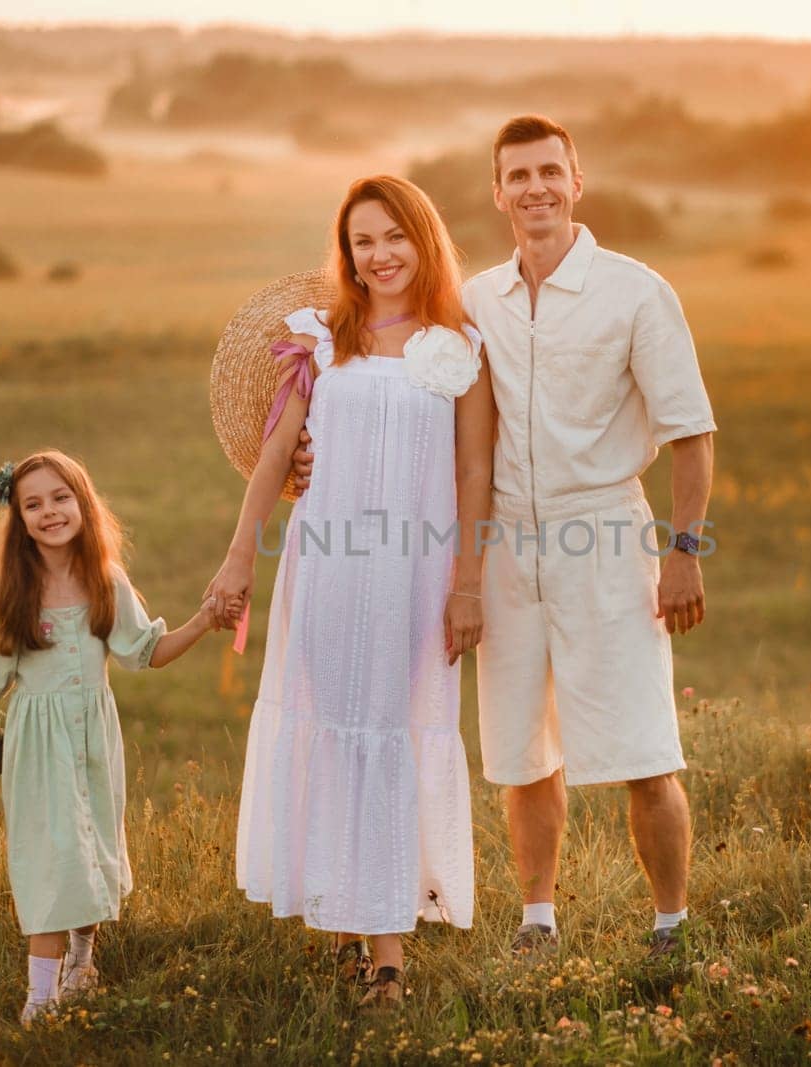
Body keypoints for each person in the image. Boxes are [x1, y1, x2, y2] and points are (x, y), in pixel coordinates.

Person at [293, 116, 716, 960]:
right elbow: (387, 383)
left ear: (576, 180)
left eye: (549, 172)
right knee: (521, 750)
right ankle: (537, 919)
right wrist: (311, 449)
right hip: (500, 544)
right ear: (497, 192)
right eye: (518, 176)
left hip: (605, 531)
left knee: (643, 746)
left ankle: (669, 924)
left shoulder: (636, 291)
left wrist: (684, 551)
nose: (536, 189)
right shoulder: (472, 302)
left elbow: (692, 431)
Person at [207, 175, 495, 1008]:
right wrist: (238, 559)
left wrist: (467, 583)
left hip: (416, 575)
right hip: (328, 570)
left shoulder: (457, 344)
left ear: (424, 240)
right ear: (348, 254)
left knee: (392, 735)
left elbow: (474, 470)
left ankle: (390, 959)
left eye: (396, 235)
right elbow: (277, 458)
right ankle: (347, 916)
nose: (381, 254)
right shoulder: (321, 340)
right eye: (364, 240)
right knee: (335, 729)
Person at [0, 449, 219, 1026]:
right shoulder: (9, 589)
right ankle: (41, 999)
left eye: (60, 497)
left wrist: (201, 621)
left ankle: (83, 958)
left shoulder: (105, 579)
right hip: (38, 740)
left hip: (95, 735)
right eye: (33, 504)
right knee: (52, 857)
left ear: (83, 501)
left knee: (93, 841)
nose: (49, 511)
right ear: (19, 520)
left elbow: (145, 652)